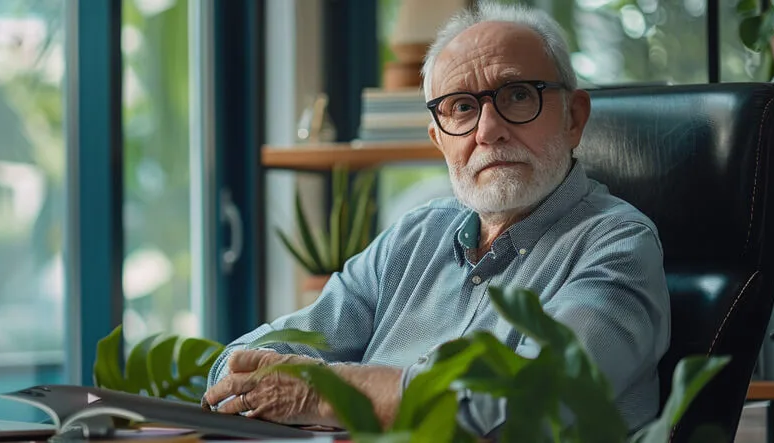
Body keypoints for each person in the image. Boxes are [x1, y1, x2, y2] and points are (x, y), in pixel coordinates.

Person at [202, 1, 670, 438]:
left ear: (574, 118)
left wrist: (325, 392)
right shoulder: (414, 236)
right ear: (439, 140)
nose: (488, 130)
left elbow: (530, 401)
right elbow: (252, 357)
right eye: (463, 108)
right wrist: (249, 376)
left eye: (519, 95)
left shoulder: (619, 247)